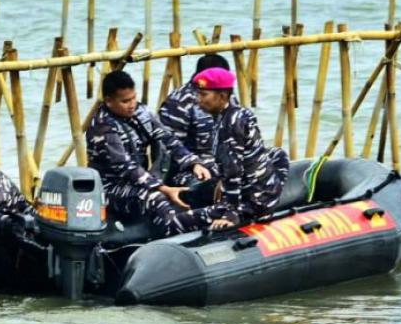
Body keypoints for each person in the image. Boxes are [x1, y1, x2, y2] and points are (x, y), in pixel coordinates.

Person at [87, 70, 212, 237]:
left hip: (141, 180)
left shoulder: (141, 112)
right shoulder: (103, 127)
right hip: (111, 188)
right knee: (155, 197)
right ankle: (173, 237)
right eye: (125, 101)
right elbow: (126, 167)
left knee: (201, 180)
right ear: (109, 101)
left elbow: (167, 137)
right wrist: (163, 188)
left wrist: (193, 163)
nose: (132, 104)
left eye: (133, 98)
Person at [192, 67, 291, 230]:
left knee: (176, 222)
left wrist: (231, 214)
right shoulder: (240, 113)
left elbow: (233, 171)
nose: (198, 100)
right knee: (276, 152)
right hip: (265, 194)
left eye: (204, 95)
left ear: (222, 96)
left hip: (249, 204)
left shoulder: (228, 125)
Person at [159, 53, 237, 185]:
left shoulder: (226, 96)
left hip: (226, 161)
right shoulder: (179, 102)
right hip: (192, 170)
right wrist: (193, 163)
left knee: (275, 157)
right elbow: (168, 147)